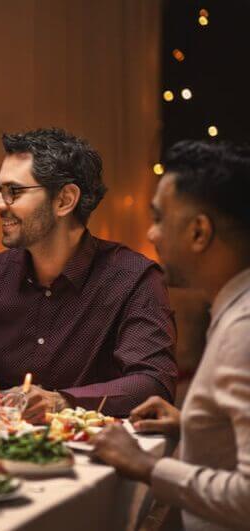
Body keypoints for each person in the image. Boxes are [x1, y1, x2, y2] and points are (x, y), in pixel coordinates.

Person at [0, 128, 177, 421]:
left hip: (98, 457)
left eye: (13, 191)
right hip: (2, 455)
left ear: (65, 200)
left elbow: (153, 384)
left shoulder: (133, 278)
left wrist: (62, 402)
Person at [92, 140, 250, 530]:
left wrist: (148, 465)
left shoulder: (243, 331)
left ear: (199, 232)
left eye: (160, 218)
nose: (152, 233)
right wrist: (194, 423)